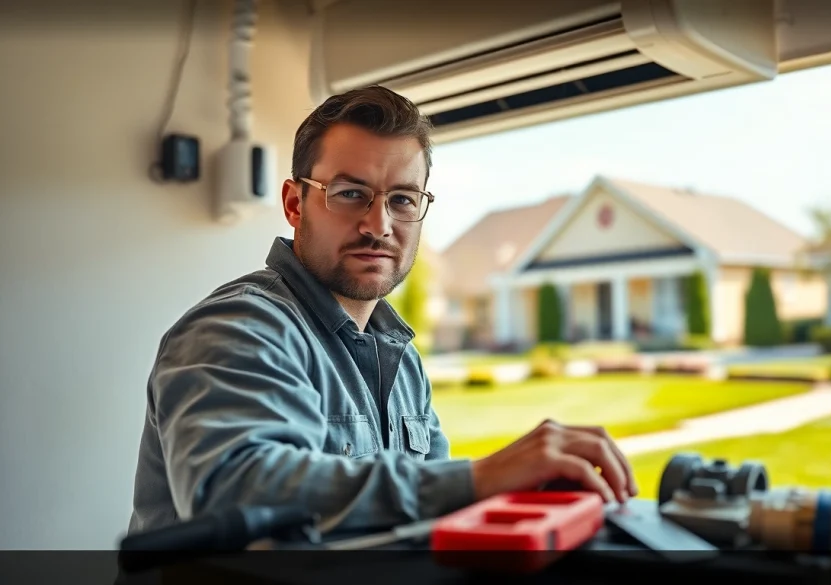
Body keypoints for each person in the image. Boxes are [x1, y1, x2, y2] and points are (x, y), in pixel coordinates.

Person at [127, 85, 637, 537]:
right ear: (295, 203)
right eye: (351, 194)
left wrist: (522, 499)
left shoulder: (400, 358)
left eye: (402, 198)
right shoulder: (239, 328)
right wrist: (479, 477)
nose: (379, 224)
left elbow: (426, 519)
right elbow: (235, 493)